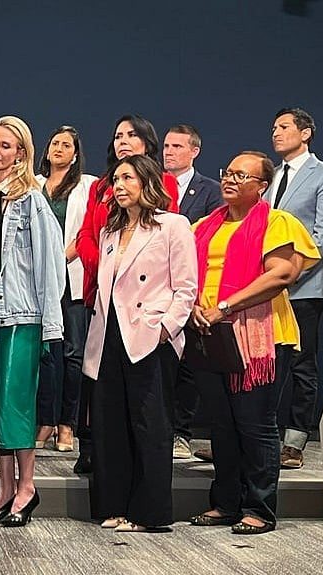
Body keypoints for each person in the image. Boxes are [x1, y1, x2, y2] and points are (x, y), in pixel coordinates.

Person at [189, 151, 319, 535]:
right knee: (222, 425)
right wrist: (196, 306)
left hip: (260, 336)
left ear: (261, 186)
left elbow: (280, 275)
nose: (230, 179)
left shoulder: (278, 222)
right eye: (227, 172)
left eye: (241, 175)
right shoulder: (203, 225)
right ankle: (225, 503)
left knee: (256, 424)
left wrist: (225, 305)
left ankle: (259, 508)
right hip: (210, 332)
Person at [0, 116, 64, 527]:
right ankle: (4, 487)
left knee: (14, 402)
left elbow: (50, 264)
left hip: (22, 314)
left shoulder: (32, 201)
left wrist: (50, 324)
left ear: (21, 152)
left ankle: (27, 487)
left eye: (6, 145)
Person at [83, 155, 197, 532]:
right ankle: (114, 506)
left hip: (149, 337)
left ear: (147, 182)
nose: (118, 185)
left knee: (150, 425)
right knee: (110, 425)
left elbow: (186, 287)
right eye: (115, 179)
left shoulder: (173, 226)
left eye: (127, 177)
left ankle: (148, 513)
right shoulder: (110, 233)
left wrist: (167, 329)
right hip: (109, 336)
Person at [71, 114, 179, 475]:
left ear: (148, 143)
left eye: (132, 135)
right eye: (118, 135)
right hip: (102, 288)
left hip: (144, 308)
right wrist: (104, 265)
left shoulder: (163, 188)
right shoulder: (100, 186)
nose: (123, 141)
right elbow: (87, 233)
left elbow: (167, 254)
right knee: (99, 390)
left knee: (144, 407)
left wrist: (165, 326)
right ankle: (92, 452)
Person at [264, 108, 323, 469]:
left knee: (301, 364)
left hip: (304, 286)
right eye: (274, 128)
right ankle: (259, 435)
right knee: (265, 362)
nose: (276, 133)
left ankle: (295, 441)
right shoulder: (270, 176)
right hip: (266, 287)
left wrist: (288, 272)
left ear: (306, 132)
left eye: (283, 127)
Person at [33, 126, 97, 452]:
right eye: (54, 142)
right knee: (45, 355)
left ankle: (67, 424)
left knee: (73, 354)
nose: (58, 148)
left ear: (75, 155)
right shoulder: (33, 184)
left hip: (69, 278)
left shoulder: (87, 186)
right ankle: (44, 420)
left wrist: (59, 259)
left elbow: (87, 230)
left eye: (66, 145)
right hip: (36, 281)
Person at [162, 123, 223, 460]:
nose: (168, 152)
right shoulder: (153, 185)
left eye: (176, 146)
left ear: (194, 151)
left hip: (192, 288)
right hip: (155, 290)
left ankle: (181, 433)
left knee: (188, 368)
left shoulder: (210, 191)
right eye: (166, 146)